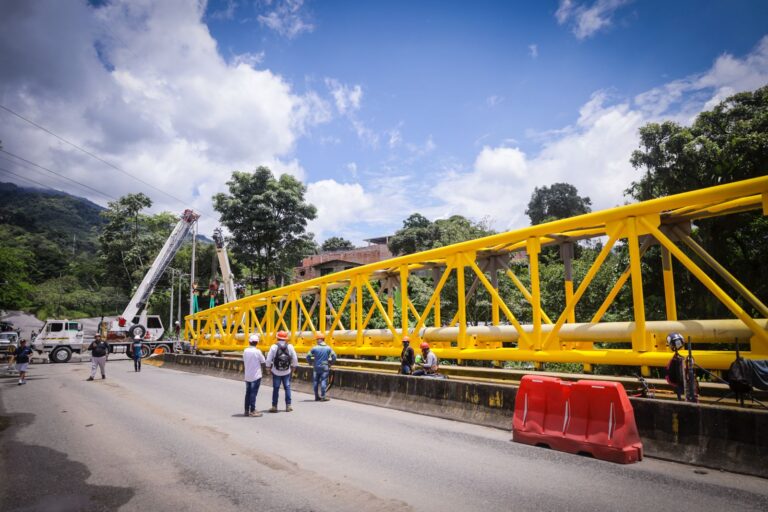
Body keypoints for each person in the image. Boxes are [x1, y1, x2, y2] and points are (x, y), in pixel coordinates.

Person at [265, 330, 298, 412]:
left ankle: (274, 406)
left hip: (276, 371)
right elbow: (295, 358)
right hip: (287, 371)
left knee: (276, 388)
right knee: (287, 387)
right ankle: (288, 406)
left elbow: (268, 359)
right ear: (286, 338)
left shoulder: (274, 347)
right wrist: (294, 367)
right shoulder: (290, 346)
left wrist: (268, 368)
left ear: (277, 337)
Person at [306, 333, 337, 401]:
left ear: (319, 339)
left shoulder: (314, 348)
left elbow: (308, 356)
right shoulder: (328, 348)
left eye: (317, 339)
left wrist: (310, 362)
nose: (316, 341)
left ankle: (316, 397)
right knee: (323, 381)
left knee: (316, 381)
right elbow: (334, 356)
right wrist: (330, 363)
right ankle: (323, 397)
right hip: (324, 366)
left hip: (316, 366)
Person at [243, 333, 266, 417]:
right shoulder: (257, 352)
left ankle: (246, 410)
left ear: (249, 342)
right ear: (257, 342)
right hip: (256, 376)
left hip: (247, 375)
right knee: (253, 393)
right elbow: (263, 361)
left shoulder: (245, 351)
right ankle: (252, 410)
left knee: (247, 393)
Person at [665, 332, 685, 400]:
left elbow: (669, 377)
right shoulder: (681, 358)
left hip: (676, 381)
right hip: (680, 382)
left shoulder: (674, 360)